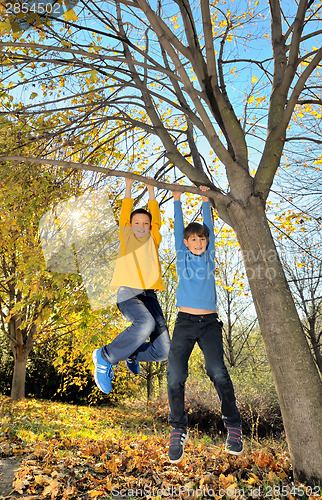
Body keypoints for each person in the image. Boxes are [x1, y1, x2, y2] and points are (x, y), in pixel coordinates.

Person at [167, 185, 243, 463]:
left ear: (207, 242)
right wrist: (177, 199)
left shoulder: (209, 258)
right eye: (193, 240)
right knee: (175, 376)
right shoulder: (182, 255)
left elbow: (207, 222)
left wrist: (205, 200)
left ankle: (233, 425)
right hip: (184, 323)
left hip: (210, 323)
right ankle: (177, 428)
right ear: (186, 243)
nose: (198, 243)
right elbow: (178, 229)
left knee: (217, 371)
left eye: (202, 239)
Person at [92, 178, 170, 394]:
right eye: (137, 223)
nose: (142, 226)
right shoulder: (126, 236)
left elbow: (157, 221)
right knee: (144, 323)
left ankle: (131, 353)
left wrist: (152, 191)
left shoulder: (154, 239)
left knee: (164, 350)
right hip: (127, 292)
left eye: (146, 223)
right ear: (130, 225)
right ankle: (105, 356)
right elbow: (125, 215)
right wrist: (128, 186)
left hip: (150, 296)